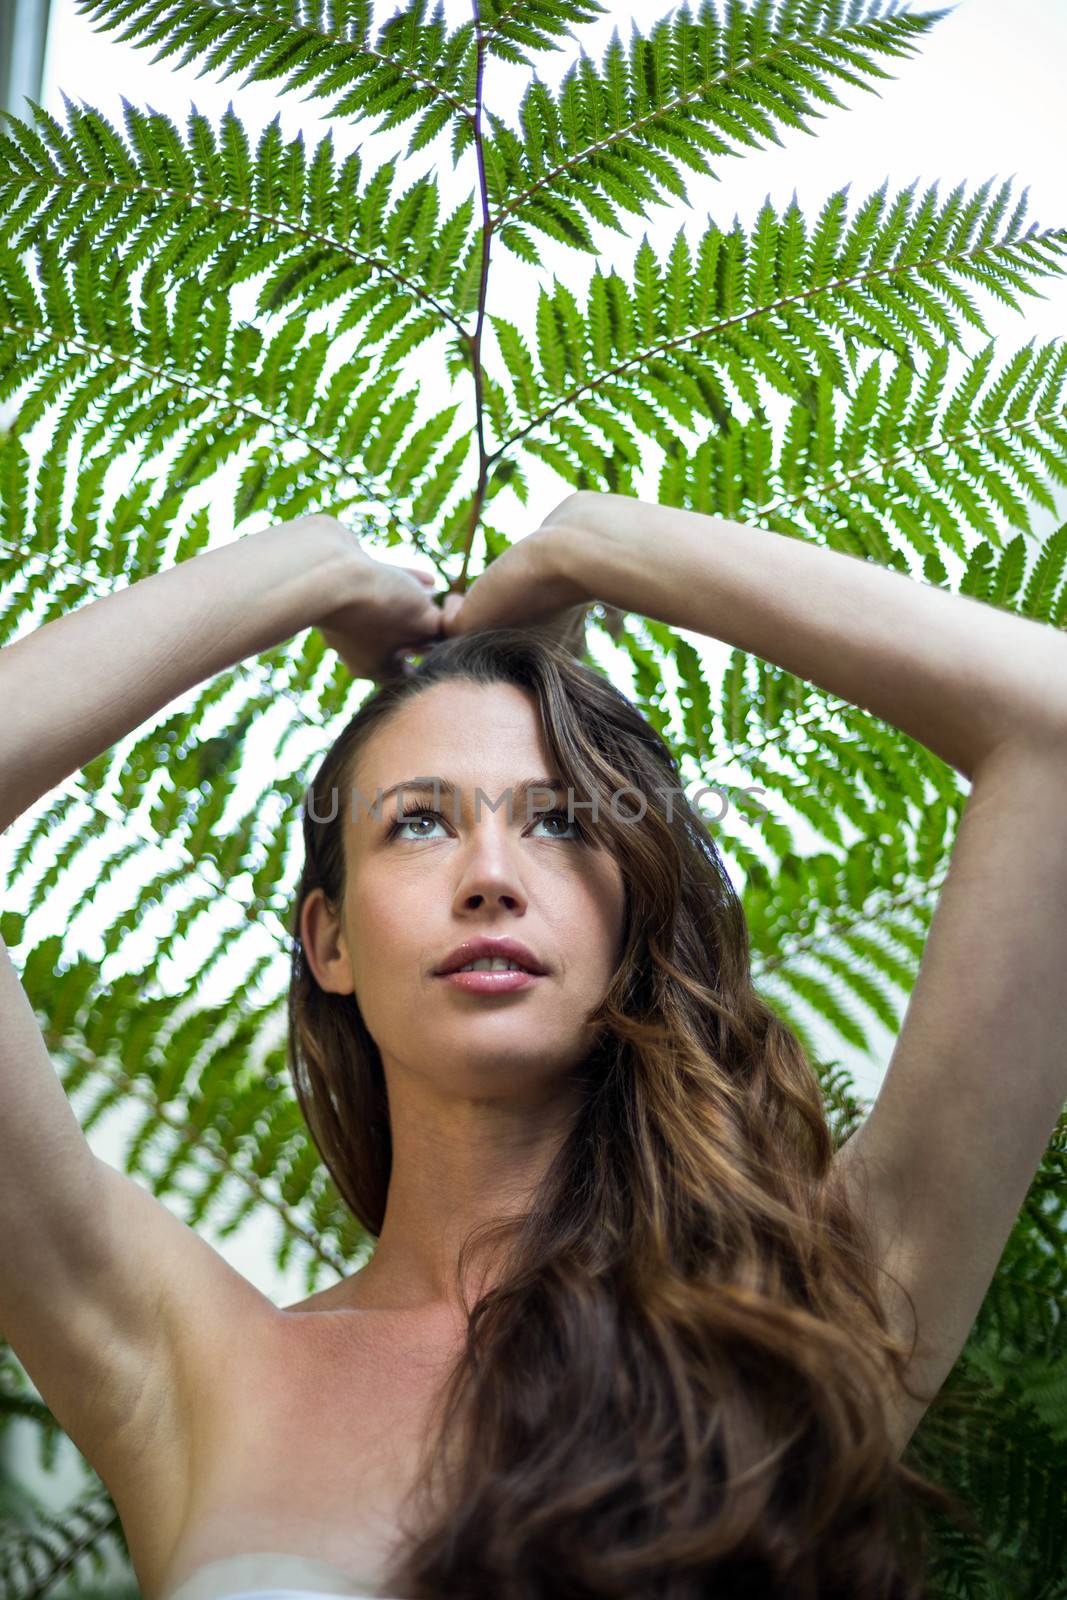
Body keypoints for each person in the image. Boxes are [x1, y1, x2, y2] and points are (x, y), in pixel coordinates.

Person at [2, 489, 1066, 1600]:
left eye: (560, 820)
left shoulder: (811, 1313)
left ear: (632, 914)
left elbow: (1049, 723)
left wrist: (597, 543)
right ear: (329, 940)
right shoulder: (180, 1364)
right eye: (418, 821)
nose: (490, 876)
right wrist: (305, 569)